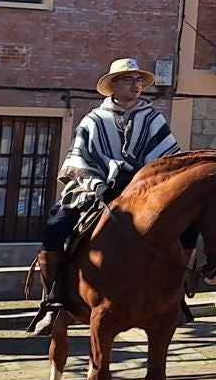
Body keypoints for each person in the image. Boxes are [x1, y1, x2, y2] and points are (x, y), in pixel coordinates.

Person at [31, 58, 179, 335]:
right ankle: (53, 301)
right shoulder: (94, 120)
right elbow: (80, 156)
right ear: (113, 86)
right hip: (95, 190)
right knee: (56, 228)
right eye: (128, 80)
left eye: (138, 81)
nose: (135, 85)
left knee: (185, 228)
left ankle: (177, 298)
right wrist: (97, 184)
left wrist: (148, 186)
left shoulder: (154, 119)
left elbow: (165, 159)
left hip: (142, 192)